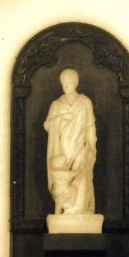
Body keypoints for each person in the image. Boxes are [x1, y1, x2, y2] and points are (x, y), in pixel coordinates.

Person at [43, 68, 97, 215]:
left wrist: (92, 147)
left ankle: (79, 210)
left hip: (80, 146)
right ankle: (66, 209)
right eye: (64, 82)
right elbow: (47, 125)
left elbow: (90, 126)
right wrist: (60, 119)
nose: (67, 84)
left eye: (70, 81)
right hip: (62, 150)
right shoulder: (57, 104)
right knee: (64, 180)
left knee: (81, 175)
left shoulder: (85, 102)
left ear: (76, 82)